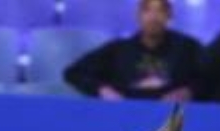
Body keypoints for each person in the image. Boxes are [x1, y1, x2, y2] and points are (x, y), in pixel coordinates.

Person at [64, 0, 202, 102]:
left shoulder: (187, 48)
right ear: (138, 16)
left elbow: (212, 75)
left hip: (175, 119)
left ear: (169, 16)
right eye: (147, 10)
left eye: (161, 10)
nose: (154, 17)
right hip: (124, 117)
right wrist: (101, 90)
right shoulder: (118, 49)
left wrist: (190, 91)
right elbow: (73, 72)